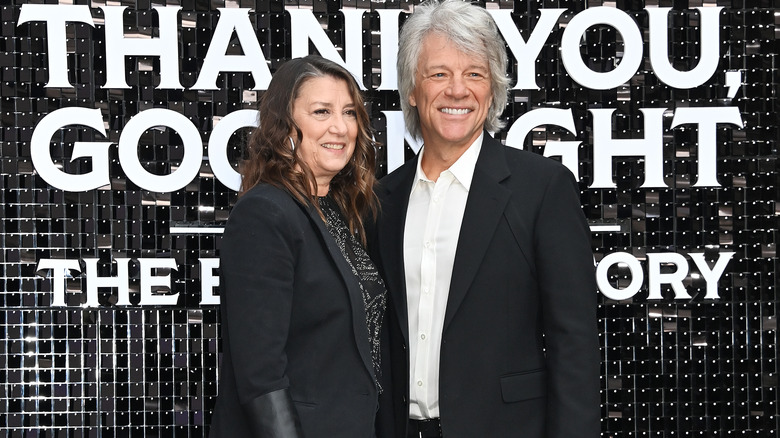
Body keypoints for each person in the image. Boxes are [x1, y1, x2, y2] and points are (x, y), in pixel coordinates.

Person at [372, 1, 600, 437]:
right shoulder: (383, 198)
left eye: (474, 74)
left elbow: (575, 344)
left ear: (493, 90)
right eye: (438, 74)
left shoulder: (542, 188)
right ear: (412, 91)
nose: (457, 90)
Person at [209, 55, 386, 438]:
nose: (340, 127)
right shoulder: (264, 212)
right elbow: (260, 375)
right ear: (285, 125)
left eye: (350, 113)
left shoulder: (340, 212)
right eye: (321, 112)